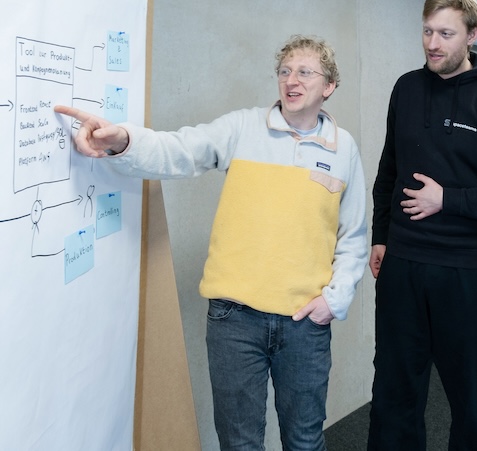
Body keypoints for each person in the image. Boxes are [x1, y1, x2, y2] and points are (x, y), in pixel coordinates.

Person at [55, 35, 368, 451]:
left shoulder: (343, 148)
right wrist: (123, 140)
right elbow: (178, 149)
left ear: (328, 86)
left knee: (306, 441)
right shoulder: (242, 127)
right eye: (285, 71)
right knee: (239, 444)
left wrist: (335, 299)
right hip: (233, 321)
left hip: (304, 324)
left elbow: (355, 235)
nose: (292, 80)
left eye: (305, 72)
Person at [367, 0, 477, 451]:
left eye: (445, 33)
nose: (432, 43)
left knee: (469, 402)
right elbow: (389, 170)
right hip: (403, 265)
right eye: (427, 31)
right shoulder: (406, 88)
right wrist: (381, 235)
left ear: (472, 36)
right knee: (393, 394)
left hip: (467, 273)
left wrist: (450, 199)